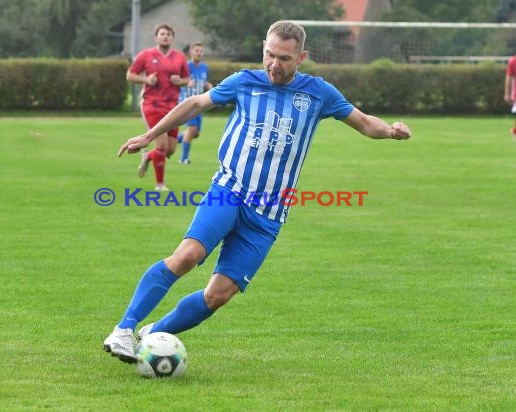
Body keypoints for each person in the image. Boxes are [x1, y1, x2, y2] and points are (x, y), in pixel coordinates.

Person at [104, 20, 411, 364]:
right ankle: (124, 329)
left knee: (219, 295)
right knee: (187, 256)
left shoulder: (318, 93)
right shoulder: (244, 81)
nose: (274, 65)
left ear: (301, 58)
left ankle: (153, 333)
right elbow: (195, 105)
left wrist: (391, 131)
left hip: (268, 214)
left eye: (283, 58)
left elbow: (364, 122)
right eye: (269, 54)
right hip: (229, 190)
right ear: (263, 47)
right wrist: (149, 135)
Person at [126, 23, 190, 191]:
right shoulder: (146, 55)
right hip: (152, 104)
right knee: (161, 146)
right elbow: (130, 75)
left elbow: (187, 80)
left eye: (168, 34)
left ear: (172, 38)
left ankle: (148, 156)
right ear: (156, 37)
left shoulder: (180, 57)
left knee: (170, 150)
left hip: (173, 107)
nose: (165, 36)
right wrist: (146, 80)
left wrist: (180, 81)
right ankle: (160, 185)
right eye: (162, 34)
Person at [177, 42, 213, 164]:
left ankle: (172, 139)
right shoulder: (185, 66)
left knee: (195, 133)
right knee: (192, 130)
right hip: (186, 101)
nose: (199, 53)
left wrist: (207, 85)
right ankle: (183, 159)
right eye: (197, 50)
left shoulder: (204, 67)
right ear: (191, 52)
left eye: (201, 51)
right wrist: (186, 82)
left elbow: (202, 80)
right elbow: (178, 80)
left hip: (199, 103)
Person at [504, 54, 516, 143]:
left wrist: (507, 94)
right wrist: (507, 94)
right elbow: (509, 77)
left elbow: (508, 78)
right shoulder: (513, 61)